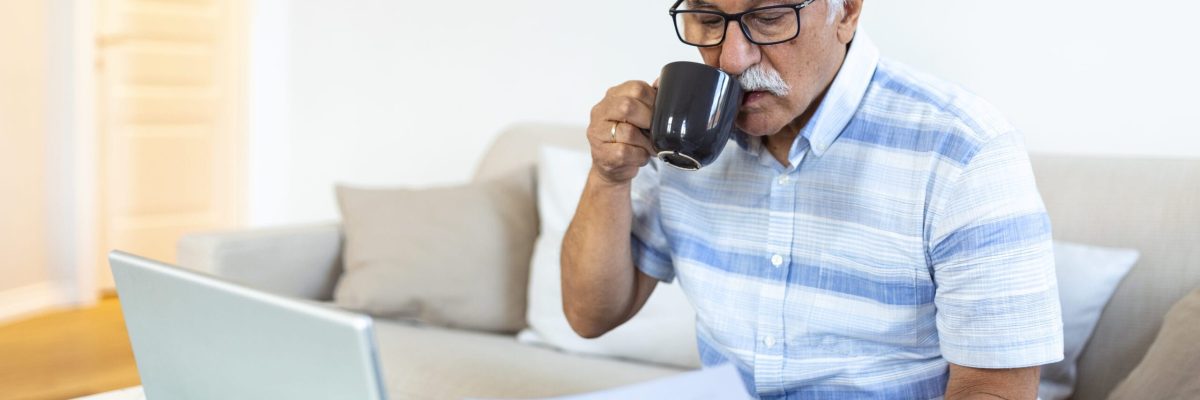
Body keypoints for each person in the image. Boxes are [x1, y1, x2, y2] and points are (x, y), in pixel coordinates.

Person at [561, 0, 1065, 399]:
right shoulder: (682, 131)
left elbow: (996, 389)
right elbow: (590, 316)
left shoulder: (964, 149)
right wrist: (609, 176)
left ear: (847, 11)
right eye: (709, 19)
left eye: (769, 17)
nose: (732, 59)